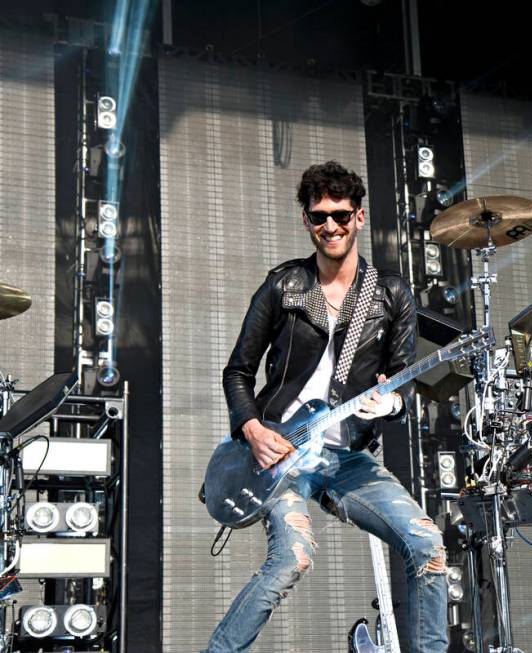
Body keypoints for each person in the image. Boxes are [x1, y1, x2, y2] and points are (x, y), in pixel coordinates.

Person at [203, 161, 448, 653]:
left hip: (347, 458)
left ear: (359, 217)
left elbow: (401, 388)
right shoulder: (283, 286)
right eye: (319, 217)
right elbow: (238, 371)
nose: (330, 226)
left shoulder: (391, 294)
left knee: (428, 546)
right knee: (293, 557)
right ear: (306, 221)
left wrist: (391, 403)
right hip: (280, 453)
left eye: (340, 215)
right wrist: (251, 428)